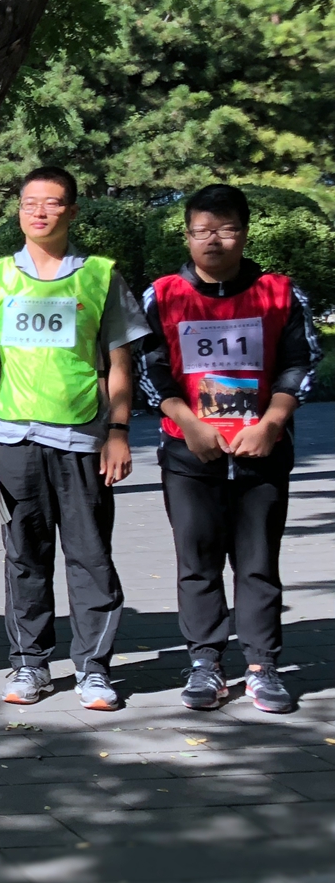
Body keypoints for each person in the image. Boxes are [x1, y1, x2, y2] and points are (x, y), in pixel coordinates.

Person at [0, 166, 150, 711]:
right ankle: (30, 665)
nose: (39, 211)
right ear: (19, 210)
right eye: (29, 202)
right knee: (24, 557)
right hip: (13, 441)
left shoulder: (100, 277)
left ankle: (93, 670)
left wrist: (118, 431)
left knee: (91, 557)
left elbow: (120, 362)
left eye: (52, 202)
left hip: (83, 441)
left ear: (72, 210)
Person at [139, 184, 320, 714]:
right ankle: (205, 663)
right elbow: (150, 369)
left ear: (243, 232)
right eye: (202, 231)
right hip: (189, 452)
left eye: (225, 229)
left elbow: (300, 362)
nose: (213, 240)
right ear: (188, 235)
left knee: (258, 563)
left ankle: (262, 667)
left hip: (262, 451)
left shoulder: (279, 292)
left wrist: (272, 422)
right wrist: (188, 424)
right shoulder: (163, 295)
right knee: (197, 562)